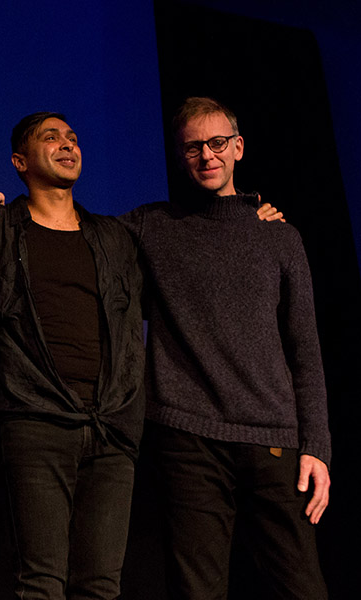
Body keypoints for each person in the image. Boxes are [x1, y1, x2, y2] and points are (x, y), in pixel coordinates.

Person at [119, 97, 330, 599]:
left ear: (238, 147)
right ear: (179, 154)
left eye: (216, 144)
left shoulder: (280, 237)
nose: (206, 156)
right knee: (198, 591)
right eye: (193, 147)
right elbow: (69, 230)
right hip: (187, 437)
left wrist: (317, 447)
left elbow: (306, 349)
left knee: (303, 587)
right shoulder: (153, 225)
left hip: (273, 437)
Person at [0, 112, 145, 599]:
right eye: (50, 137)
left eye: (73, 138)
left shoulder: (114, 237)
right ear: (20, 161)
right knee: (41, 581)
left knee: (101, 584)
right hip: (35, 421)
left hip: (111, 425)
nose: (67, 145)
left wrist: (253, 212)